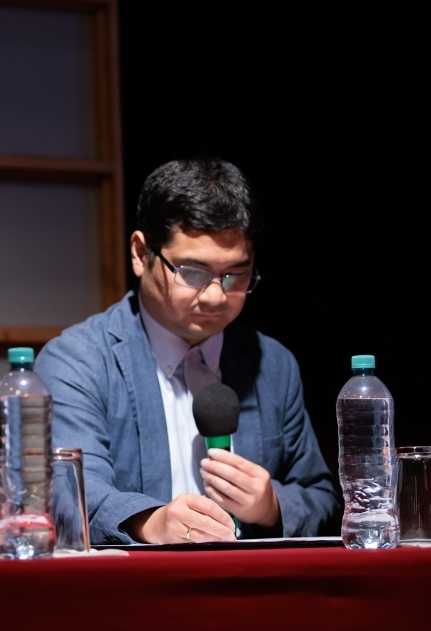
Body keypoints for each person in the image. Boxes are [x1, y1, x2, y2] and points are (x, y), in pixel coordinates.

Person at [35, 158, 339, 545]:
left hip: (251, 580)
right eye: (193, 273)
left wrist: (272, 506)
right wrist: (151, 522)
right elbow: (70, 494)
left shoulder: (273, 365)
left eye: (235, 275)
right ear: (140, 253)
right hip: (134, 582)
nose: (215, 296)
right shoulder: (77, 361)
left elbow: (322, 498)